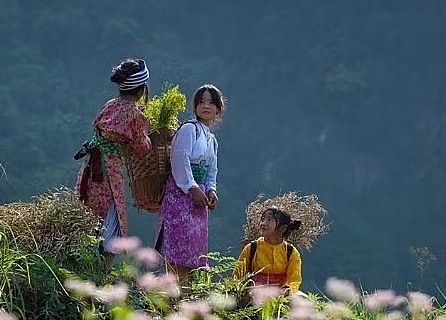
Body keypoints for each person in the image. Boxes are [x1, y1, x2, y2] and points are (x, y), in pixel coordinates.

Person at [74, 58, 152, 269]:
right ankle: (103, 275)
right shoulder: (136, 115)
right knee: (110, 225)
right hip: (109, 175)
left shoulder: (110, 105)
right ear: (141, 90)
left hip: (91, 170)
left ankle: (85, 271)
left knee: (88, 218)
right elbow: (142, 148)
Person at [154, 84, 225, 287]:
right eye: (201, 101)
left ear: (218, 109)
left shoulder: (211, 140)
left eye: (211, 102)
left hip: (199, 200)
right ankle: (173, 295)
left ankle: (183, 295)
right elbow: (180, 159)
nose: (205, 106)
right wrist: (191, 187)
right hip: (180, 196)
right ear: (194, 106)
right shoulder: (188, 129)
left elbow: (212, 170)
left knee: (194, 253)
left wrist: (211, 190)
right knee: (178, 250)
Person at [233, 207, 303, 293]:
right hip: (253, 296)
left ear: (283, 228)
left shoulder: (291, 252)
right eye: (263, 219)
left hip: (280, 298)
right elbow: (237, 276)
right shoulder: (252, 248)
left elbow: (294, 281)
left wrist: (285, 294)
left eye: (269, 220)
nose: (263, 223)